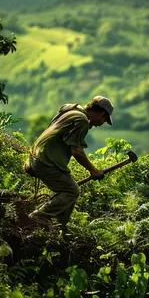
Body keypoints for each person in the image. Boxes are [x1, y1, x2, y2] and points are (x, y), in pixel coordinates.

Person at [25, 96, 114, 229]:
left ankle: (59, 227)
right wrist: (93, 170)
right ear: (102, 114)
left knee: (70, 189)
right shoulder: (82, 120)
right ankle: (39, 215)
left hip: (35, 157)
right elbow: (77, 151)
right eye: (104, 120)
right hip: (46, 162)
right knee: (72, 191)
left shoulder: (71, 109)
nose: (100, 124)